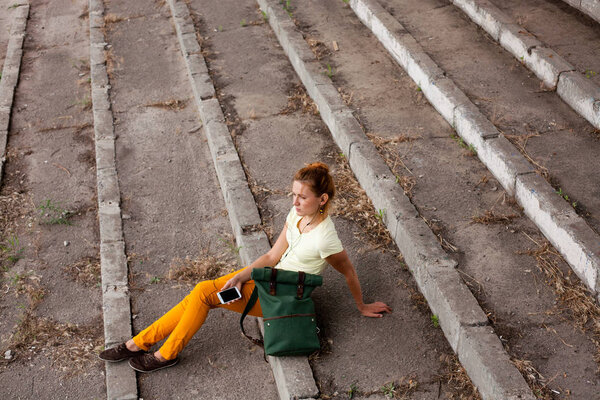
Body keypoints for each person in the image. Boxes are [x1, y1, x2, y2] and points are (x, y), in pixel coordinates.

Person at [99, 162, 392, 372]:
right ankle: (138, 343)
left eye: (302, 197)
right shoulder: (296, 217)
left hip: (281, 298)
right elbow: (271, 256)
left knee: (202, 293)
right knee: (199, 294)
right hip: (269, 279)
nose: (295, 201)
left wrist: (362, 305)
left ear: (322, 199)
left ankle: (164, 354)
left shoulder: (325, 237)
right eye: (293, 194)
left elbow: (348, 270)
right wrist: (241, 275)